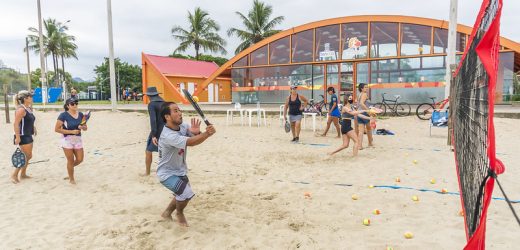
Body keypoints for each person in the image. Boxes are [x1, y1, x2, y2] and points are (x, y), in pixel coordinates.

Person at [157, 102, 216, 227]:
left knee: (181, 193)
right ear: (167, 117)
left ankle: (166, 213)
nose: (180, 113)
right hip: (166, 173)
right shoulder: (168, 135)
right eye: (175, 111)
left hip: (180, 170)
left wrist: (197, 132)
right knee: (186, 194)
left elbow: (195, 137)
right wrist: (207, 134)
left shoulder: (182, 126)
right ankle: (179, 213)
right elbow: (190, 142)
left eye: (179, 110)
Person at [54, 98, 88, 184]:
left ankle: (69, 169)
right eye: (72, 103)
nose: (75, 105)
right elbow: (57, 129)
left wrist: (82, 127)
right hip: (66, 139)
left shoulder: (81, 115)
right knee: (70, 160)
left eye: (76, 103)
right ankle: (71, 179)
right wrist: (71, 132)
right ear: (67, 105)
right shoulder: (63, 115)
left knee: (80, 159)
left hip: (77, 139)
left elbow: (85, 128)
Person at [11, 90, 36, 184]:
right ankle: (14, 175)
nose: (32, 98)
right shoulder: (21, 109)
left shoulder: (28, 108)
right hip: (22, 135)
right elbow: (16, 124)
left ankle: (23, 174)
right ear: (25, 98)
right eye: (30, 96)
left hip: (28, 134)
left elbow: (29, 120)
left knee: (29, 156)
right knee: (25, 156)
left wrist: (34, 127)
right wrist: (17, 137)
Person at [143, 87, 165, 176]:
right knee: (165, 151)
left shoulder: (151, 104)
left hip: (158, 130)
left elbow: (153, 120)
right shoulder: (165, 103)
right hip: (168, 129)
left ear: (149, 96)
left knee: (148, 151)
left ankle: (147, 173)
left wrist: (153, 135)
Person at [356, 83, 374, 149]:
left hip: (359, 113)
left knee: (361, 131)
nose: (367, 88)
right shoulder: (364, 94)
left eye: (367, 87)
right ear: (362, 88)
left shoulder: (359, 94)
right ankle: (370, 143)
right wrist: (368, 111)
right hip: (364, 113)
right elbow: (361, 103)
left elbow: (358, 103)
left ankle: (360, 146)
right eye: (365, 87)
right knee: (369, 129)